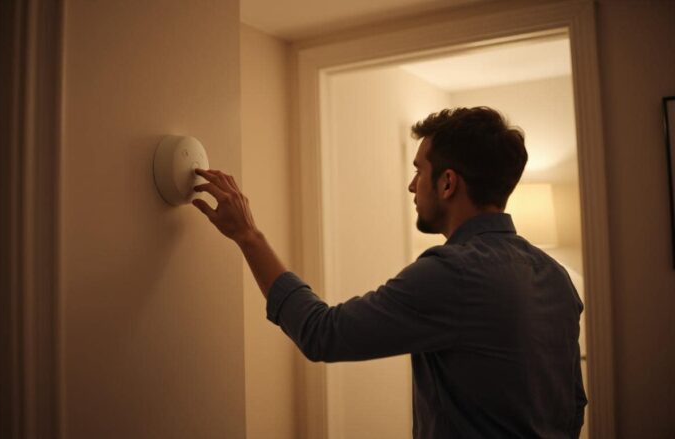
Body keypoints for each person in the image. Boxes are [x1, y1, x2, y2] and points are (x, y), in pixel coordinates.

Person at [191, 106, 587, 439]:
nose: (412, 186)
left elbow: (322, 334)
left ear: (447, 183)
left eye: (419, 170)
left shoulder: (453, 274)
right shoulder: (556, 277)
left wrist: (248, 235)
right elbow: (573, 405)